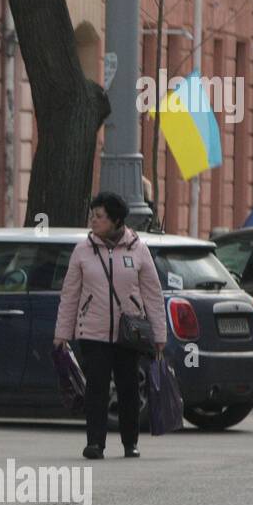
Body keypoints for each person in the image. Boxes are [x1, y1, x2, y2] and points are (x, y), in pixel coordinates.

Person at [53, 192, 167, 459]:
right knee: (96, 388)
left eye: (99, 216)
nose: (93, 220)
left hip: (129, 334)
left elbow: (152, 293)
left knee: (128, 388)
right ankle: (95, 443)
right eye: (92, 214)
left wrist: (160, 334)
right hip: (92, 332)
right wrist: (62, 334)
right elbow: (69, 295)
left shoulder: (138, 249)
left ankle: (130, 442)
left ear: (116, 220)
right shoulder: (83, 250)